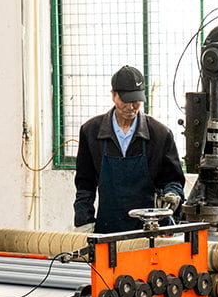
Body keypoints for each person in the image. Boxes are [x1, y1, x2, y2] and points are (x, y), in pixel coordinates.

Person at [73, 65, 186, 234]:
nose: (131, 106)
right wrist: (84, 222)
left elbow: (174, 180)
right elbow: (85, 185)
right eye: (125, 99)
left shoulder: (160, 134)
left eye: (136, 100)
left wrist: (172, 195)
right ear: (113, 95)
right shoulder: (91, 132)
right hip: (108, 230)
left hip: (152, 231)